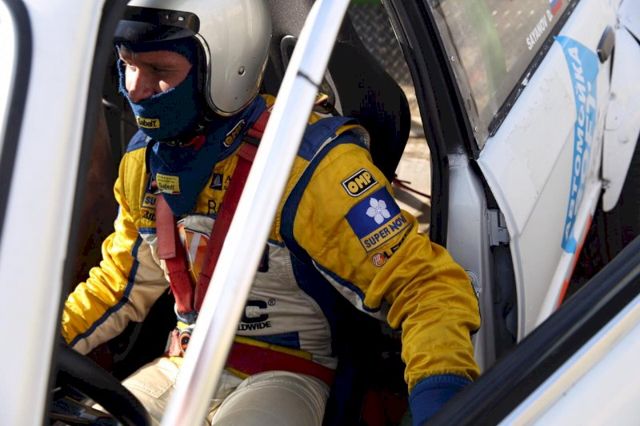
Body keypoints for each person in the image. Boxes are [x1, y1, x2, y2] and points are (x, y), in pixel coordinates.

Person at [61, 0, 481, 424]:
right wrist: (46, 340)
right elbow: (118, 284)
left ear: (225, 68)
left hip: (287, 373)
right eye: (127, 64)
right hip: (185, 363)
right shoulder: (142, 166)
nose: (135, 88)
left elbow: (427, 287)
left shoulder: (310, 167)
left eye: (159, 70)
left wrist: (442, 402)